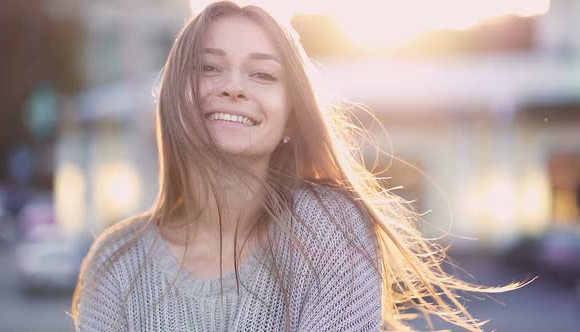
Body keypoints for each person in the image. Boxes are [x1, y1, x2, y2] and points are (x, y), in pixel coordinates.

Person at [71, 1, 523, 331]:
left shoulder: (331, 229)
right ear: (175, 97)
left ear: (291, 115)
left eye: (263, 74)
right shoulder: (116, 263)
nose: (233, 87)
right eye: (209, 68)